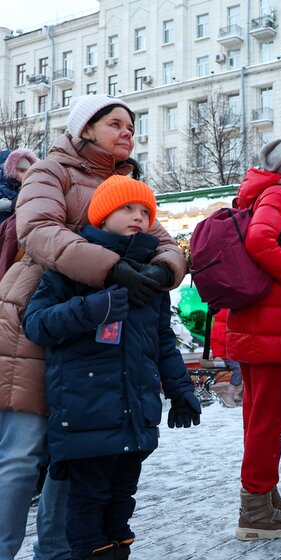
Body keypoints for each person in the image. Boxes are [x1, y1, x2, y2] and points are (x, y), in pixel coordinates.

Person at [0, 94, 186, 560]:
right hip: (37, 316)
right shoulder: (51, 171)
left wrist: (162, 271)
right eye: (116, 123)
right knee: (23, 453)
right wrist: (112, 268)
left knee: (77, 453)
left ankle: (59, 552)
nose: (127, 132)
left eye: (131, 126)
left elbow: (166, 244)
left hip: (103, 327)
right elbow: (39, 230)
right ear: (85, 128)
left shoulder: (129, 185)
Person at [23, 175, 200, 560]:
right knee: (87, 508)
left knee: (122, 504)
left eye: (145, 211)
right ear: (101, 215)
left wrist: (181, 392)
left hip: (134, 416)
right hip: (86, 415)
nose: (139, 216)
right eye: (127, 208)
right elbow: (37, 324)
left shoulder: (149, 274)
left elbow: (163, 343)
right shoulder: (71, 267)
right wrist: (90, 309)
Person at [226, 139, 281, 540]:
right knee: (269, 419)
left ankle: (265, 494)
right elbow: (259, 240)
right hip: (270, 326)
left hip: (256, 322)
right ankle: (255, 510)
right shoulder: (279, 194)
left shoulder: (261, 194)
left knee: (259, 418)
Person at [210, 308, 243, 407]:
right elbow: (227, 340)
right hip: (223, 355)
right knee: (239, 368)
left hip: (228, 354)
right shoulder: (221, 326)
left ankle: (239, 393)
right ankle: (229, 393)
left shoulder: (224, 324)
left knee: (246, 365)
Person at [0, 148, 38, 223]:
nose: (21, 175)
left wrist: (10, 205)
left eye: (24, 170)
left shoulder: (30, 186)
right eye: (20, 171)